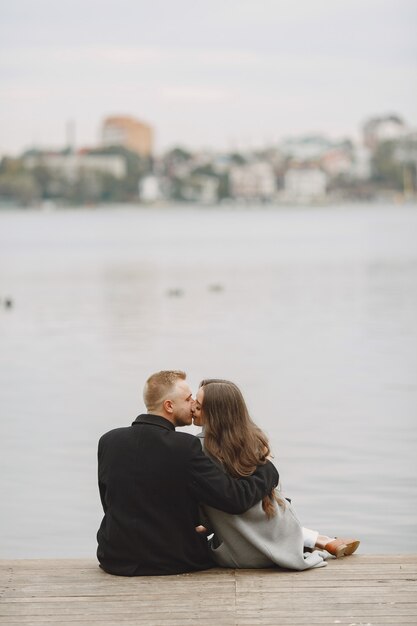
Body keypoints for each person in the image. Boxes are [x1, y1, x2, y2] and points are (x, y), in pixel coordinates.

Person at [96, 370, 278, 576]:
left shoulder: (108, 441)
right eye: (188, 398)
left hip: (114, 557)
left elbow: (109, 502)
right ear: (169, 406)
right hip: (172, 560)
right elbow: (234, 499)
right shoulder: (185, 447)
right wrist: (268, 468)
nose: (193, 404)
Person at [192, 379, 360, 570]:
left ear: (214, 413)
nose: (192, 408)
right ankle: (318, 539)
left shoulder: (198, 449)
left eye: (197, 405)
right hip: (276, 537)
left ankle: (318, 539)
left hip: (238, 554)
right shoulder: (250, 439)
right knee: (269, 502)